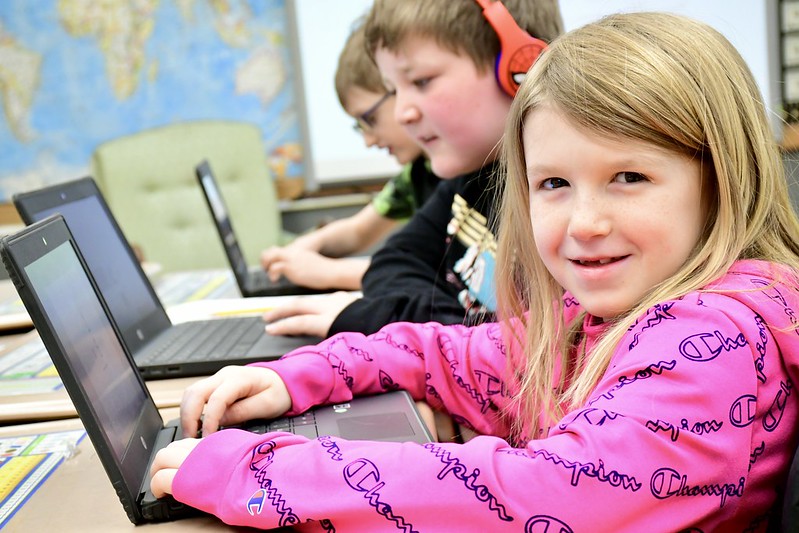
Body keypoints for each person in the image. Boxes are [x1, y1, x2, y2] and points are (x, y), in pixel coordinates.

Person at [150, 11, 799, 531]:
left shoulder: (715, 337)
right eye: (553, 183)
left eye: (627, 177)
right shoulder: (597, 317)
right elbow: (449, 354)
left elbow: (549, 498)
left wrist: (261, 472)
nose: (583, 222)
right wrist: (295, 377)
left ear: (720, 178)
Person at [262, 0, 564, 338]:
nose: (403, 111)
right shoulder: (469, 176)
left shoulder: (564, 203)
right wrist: (442, 324)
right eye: (394, 90)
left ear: (518, 66)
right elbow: (392, 262)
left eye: (420, 81)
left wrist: (376, 317)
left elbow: (507, 353)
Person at [260, 23, 441, 292]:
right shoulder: (417, 172)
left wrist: (330, 273)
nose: (368, 140)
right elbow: (358, 230)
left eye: (370, 119)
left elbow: (431, 277)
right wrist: (302, 249)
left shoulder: (458, 173)